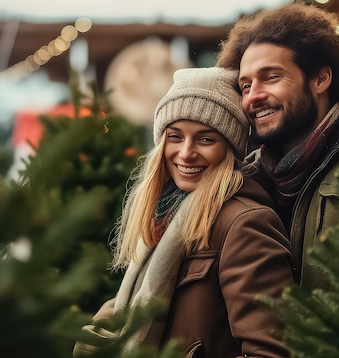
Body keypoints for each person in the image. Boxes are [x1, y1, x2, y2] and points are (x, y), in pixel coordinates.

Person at [73, 67, 293, 358]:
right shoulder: (166, 211)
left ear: (229, 149)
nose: (186, 153)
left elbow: (270, 352)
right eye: (175, 137)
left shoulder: (245, 223)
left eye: (205, 139)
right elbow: (138, 300)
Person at [216, 3, 339, 291]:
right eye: (246, 86)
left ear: (320, 79)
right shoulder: (249, 178)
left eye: (271, 77)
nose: (254, 96)